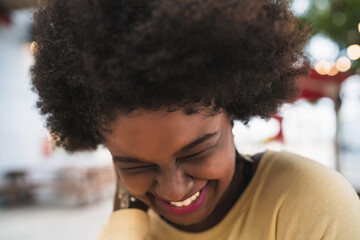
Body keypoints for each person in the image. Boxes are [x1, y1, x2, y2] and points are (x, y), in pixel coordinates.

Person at [31, 0, 360, 239]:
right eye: (135, 166)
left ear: (234, 109)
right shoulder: (132, 228)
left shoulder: (312, 206)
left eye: (196, 152)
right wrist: (126, 216)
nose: (174, 190)